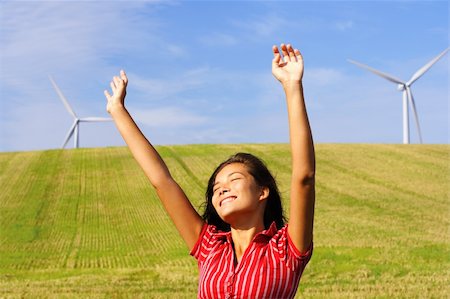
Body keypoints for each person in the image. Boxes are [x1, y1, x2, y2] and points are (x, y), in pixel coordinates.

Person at [104, 43, 315, 299]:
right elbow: (162, 181)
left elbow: (304, 177)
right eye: (216, 189)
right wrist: (118, 111)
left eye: (234, 179)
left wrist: (292, 86)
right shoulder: (209, 246)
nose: (222, 188)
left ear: (263, 191)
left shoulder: (286, 250)